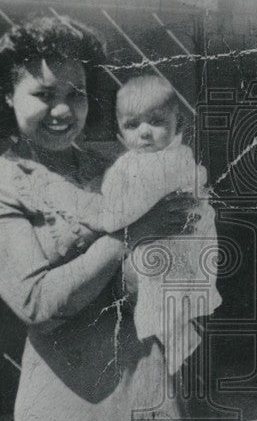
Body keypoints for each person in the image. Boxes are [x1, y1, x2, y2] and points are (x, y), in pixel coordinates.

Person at [0, 15, 213, 421]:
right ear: (6, 95)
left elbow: (183, 224)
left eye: (77, 94)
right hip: (71, 400)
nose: (64, 110)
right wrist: (131, 232)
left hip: (147, 386)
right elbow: (38, 302)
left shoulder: (116, 161)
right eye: (45, 94)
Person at [45, 72, 222, 375]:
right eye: (132, 124)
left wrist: (95, 217)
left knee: (155, 293)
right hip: (155, 238)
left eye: (156, 122)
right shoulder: (135, 161)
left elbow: (123, 212)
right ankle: (168, 345)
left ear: (176, 124)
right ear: (119, 133)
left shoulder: (166, 162)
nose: (144, 132)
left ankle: (170, 345)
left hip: (174, 244)